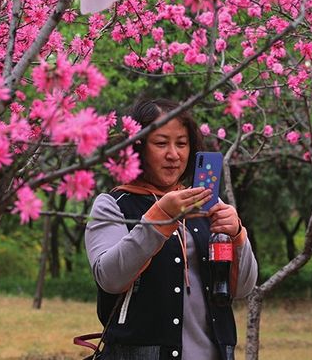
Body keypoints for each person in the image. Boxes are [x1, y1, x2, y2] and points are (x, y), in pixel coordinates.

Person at [85, 98, 258, 360]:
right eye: (161, 143)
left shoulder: (208, 206)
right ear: (137, 147)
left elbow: (243, 288)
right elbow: (110, 278)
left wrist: (236, 235)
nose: (173, 155)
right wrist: (160, 217)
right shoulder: (113, 205)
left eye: (181, 143)